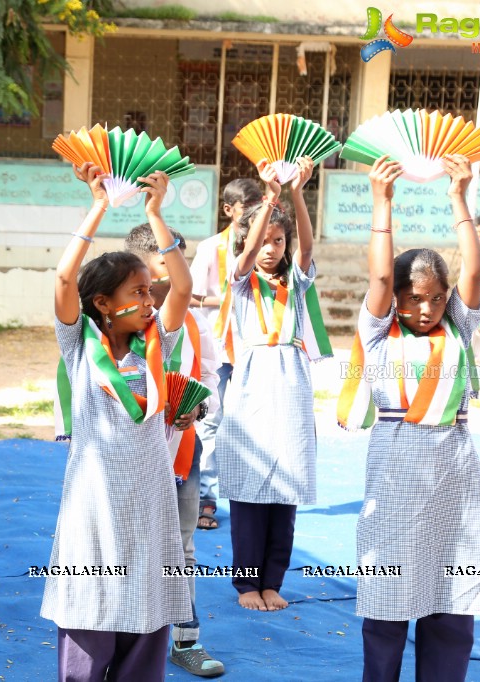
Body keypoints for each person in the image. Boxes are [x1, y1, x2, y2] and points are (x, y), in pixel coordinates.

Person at [338, 155, 480, 681]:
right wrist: (382, 202)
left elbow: (474, 270)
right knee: (388, 598)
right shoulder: (378, 331)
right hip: (396, 464)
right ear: (395, 302)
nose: (425, 309)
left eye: (434, 299)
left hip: (455, 468)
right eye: (413, 300)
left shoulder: (457, 324)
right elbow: (383, 273)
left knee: (453, 597)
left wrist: (460, 195)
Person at [46, 163, 191, 681]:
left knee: (146, 612)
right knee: (90, 611)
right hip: (94, 505)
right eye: (137, 293)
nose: (149, 302)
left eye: (150, 292)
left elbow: (183, 283)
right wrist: (99, 204)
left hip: (149, 501)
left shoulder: (159, 342)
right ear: (103, 304)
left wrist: (154, 213)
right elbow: (66, 278)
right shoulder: (79, 346)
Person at [216, 157, 318, 613]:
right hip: (252, 384)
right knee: (249, 485)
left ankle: (273, 579)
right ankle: (246, 584)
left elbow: (308, 248)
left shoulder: (295, 285)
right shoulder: (241, 284)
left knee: (286, 488)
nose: (270, 249)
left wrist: (297, 193)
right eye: (263, 242)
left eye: (279, 241)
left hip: (292, 383)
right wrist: (271, 197)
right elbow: (248, 247)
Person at [124, 225, 225, 678]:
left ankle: (186, 638)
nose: (181, 273)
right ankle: (122, 633)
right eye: (170, 262)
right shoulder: (119, 324)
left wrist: (196, 408)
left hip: (182, 448)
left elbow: (209, 382)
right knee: (125, 545)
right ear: (143, 267)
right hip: (128, 455)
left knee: (181, 546)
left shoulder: (195, 323)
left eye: (183, 261)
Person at [189, 178, 261, 530]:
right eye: (244, 205)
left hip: (255, 347)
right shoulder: (210, 247)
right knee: (211, 423)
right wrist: (228, 299)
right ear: (229, 210)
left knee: (254, 422)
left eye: (257, 204)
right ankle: (207, 498)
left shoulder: (268, 246)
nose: (250, 211)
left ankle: (254, 497)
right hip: (218, 348)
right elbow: (187, 295)